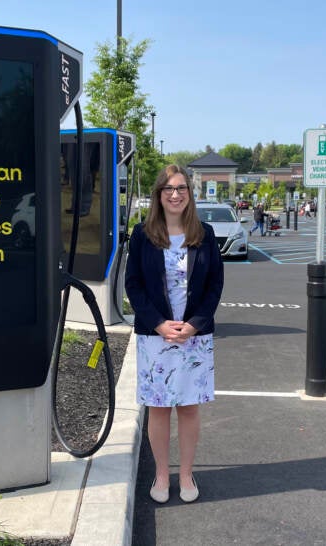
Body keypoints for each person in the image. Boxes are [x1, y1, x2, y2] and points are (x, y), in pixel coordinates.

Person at [125, 164, 224, 504]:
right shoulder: (142, 235)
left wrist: (194, 323)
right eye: (168, 188)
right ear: (159, 195)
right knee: (159, 407)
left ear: (189, 194)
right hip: (156, 337)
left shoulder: (205, 234)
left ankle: (185, 474)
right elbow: (133, 285)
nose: (175, 194)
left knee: (189, 408)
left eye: (181, 188)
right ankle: (162, 474)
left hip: (194, 337)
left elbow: (214, 286)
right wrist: (158, 324)